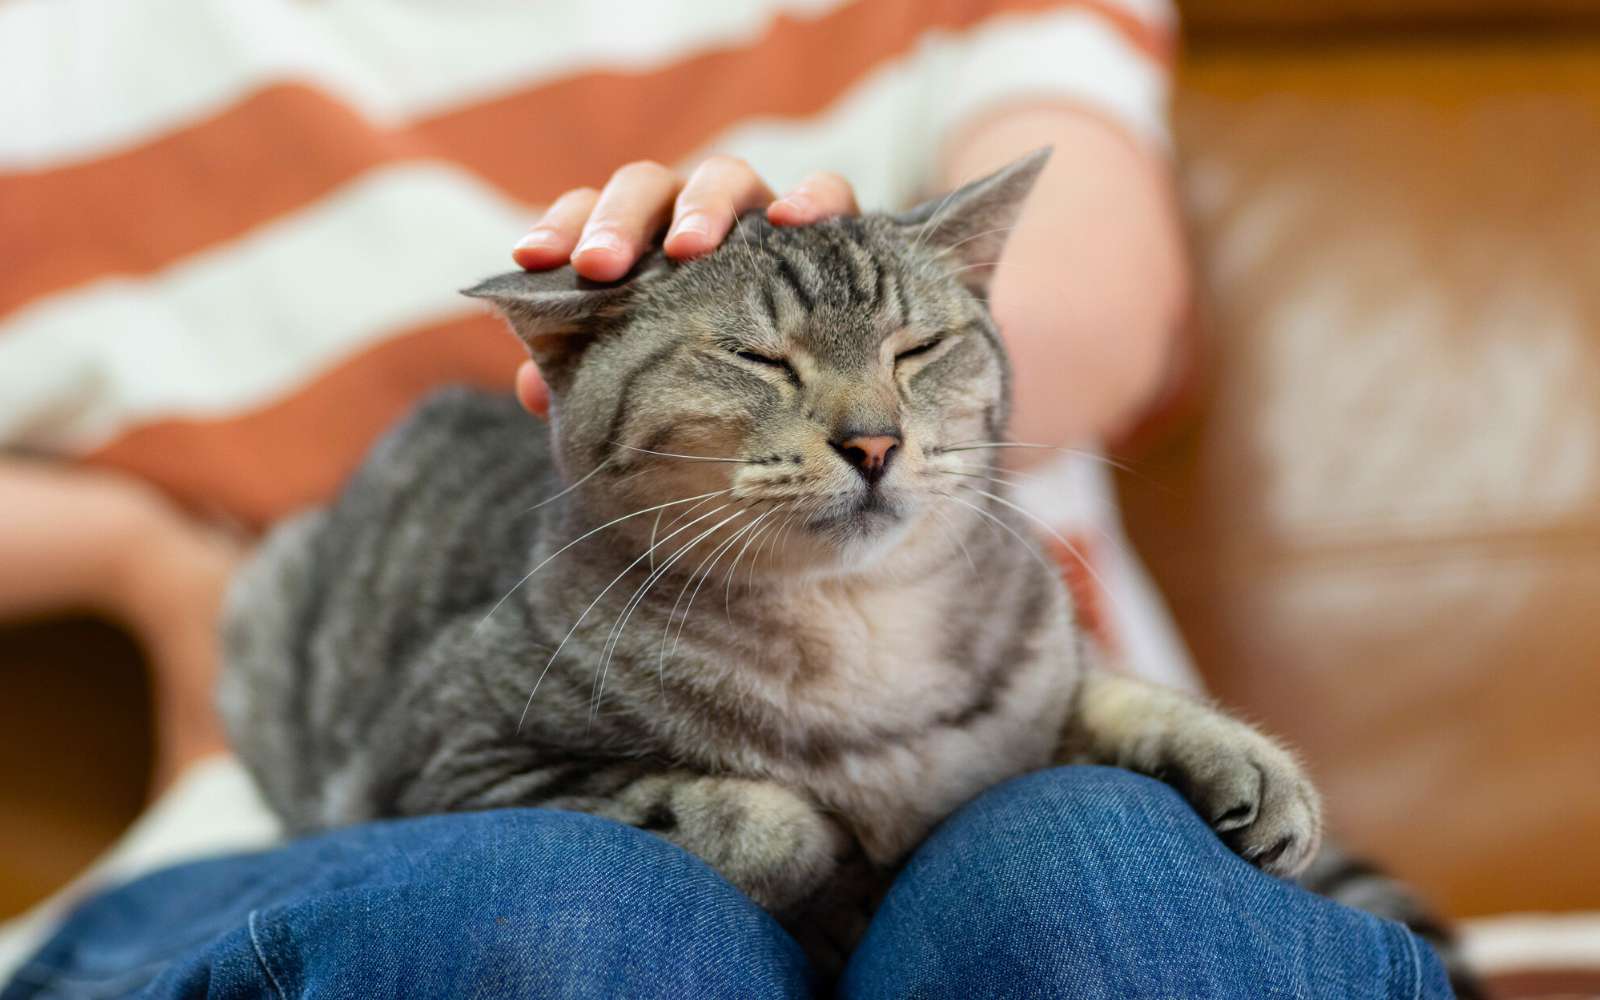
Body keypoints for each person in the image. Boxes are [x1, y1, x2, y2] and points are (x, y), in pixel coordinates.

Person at [0, 2, 1452, 996]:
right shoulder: (62, 45)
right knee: (572, 914)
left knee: (1076, 876)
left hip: (997, 742)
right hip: (315, 814)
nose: (865, 425)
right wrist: (148, 559)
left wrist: (828, 276)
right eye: (758, 365)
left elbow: (1094, 300)